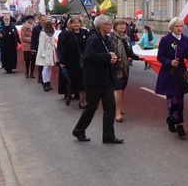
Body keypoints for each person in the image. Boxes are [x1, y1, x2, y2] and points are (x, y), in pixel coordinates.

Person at [72, 14, 124, 144]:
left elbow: (107, 54)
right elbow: (89, 56)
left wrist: (112, 58)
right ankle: (79, 130)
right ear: (102, 26)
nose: (111, 27)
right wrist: (107, 57)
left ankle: (108, 135)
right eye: (109, 25)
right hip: (94, 80)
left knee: (110, 108)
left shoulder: (105, 38)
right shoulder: (93, 38)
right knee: (91, 107)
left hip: (106, 79)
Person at [155, 17, 188, 137]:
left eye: (180, 26)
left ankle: (172, 120)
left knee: (180, 99)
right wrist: (169, 62)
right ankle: (179, 124)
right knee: (172, 99)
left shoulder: (186, 39)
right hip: (169, 73)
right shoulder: (165, 40)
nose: (179, 28)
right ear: (172, 27)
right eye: (177, 26)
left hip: (181, 72)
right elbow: (160, 57)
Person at [109, 18, 140, 123]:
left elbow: (129, 53)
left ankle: (117, 107)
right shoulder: (110, 38)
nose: (122, 27)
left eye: (123, 25)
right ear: (115, 26)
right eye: (119, 25)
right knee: (117, 90)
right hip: (115, 67)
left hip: (124, 67)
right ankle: (117, 112)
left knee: (121, 89)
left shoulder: (126, 39)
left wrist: (140, 57)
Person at [57, 16, 90, 108]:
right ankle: (69, 93)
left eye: (78, 23)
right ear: (70, 25)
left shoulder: (85, 32)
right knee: (72, 81)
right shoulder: (66, 35)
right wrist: (62, 61)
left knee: (83, 82)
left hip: (84, 61)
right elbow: (63, 49)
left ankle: (82, 101)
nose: (76, 24)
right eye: (74, 23)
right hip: (72, 61)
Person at [35, 20, 56, 91]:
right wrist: (42, 52)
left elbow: (52, 42)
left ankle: (48, 82)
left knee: (49, 68)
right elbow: (41, 44)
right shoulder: (43, 33)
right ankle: (45, 83)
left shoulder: (51, 33)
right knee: (45, 68)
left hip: (50, 52)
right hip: (45, 52)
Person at [31, 13, 46, 83]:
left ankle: (45, 77)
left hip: (46, 48)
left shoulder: (48, 28)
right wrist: (33, 48)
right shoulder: (36, 28)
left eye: (45, 20)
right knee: (41, 64)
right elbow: (33, 39)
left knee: (46, 64)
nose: (44, 21)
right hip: (38, 48)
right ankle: (41, 77)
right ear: (39, 20)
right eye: (43, 20)